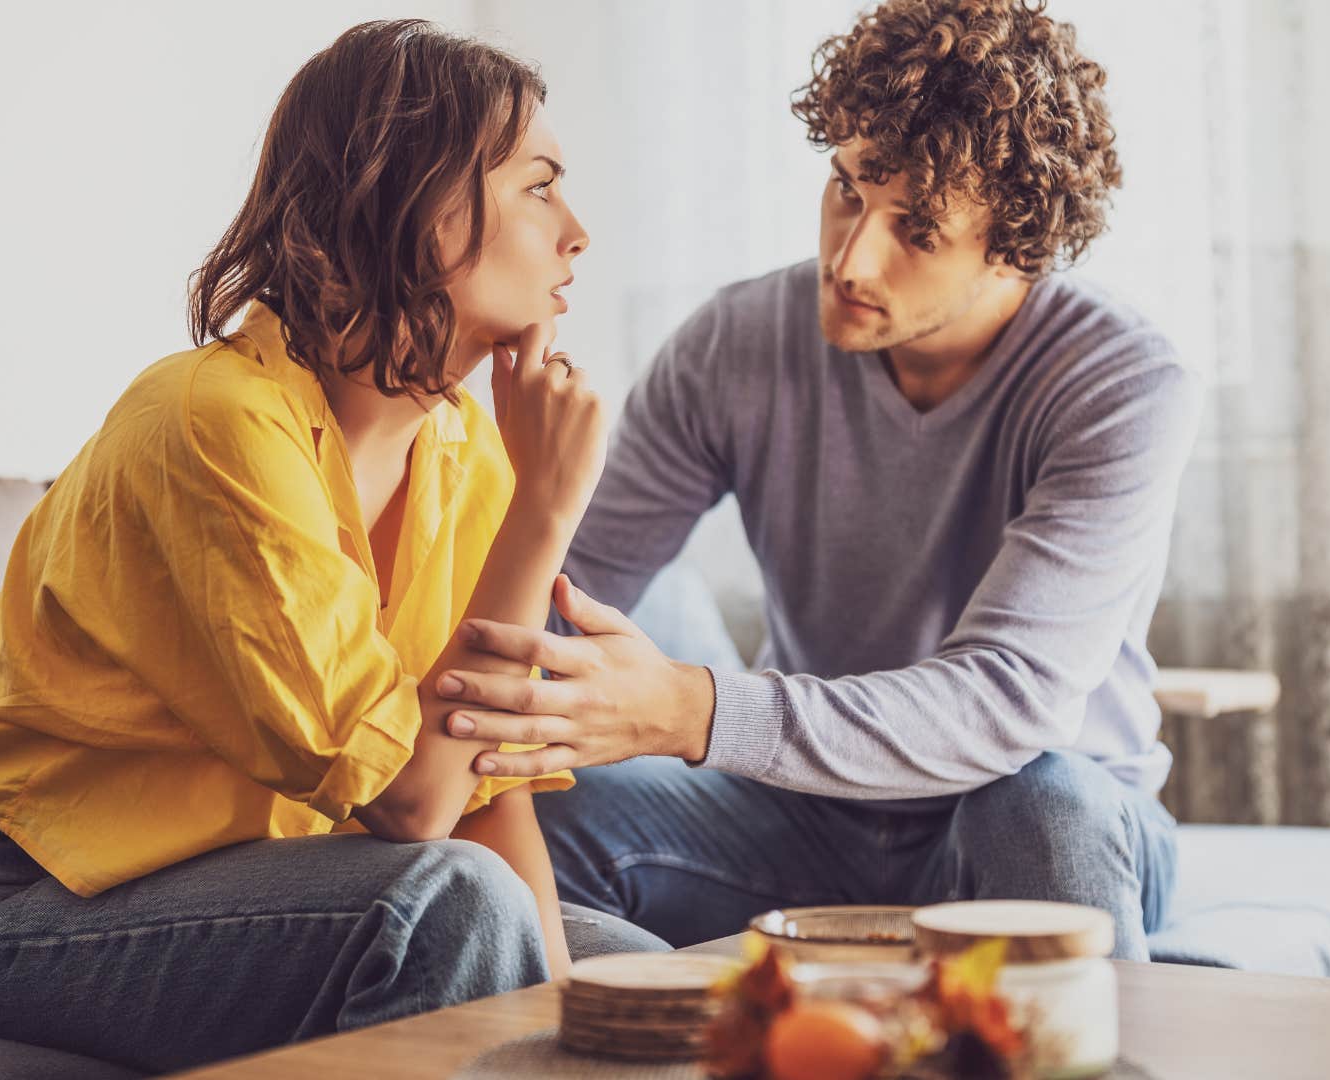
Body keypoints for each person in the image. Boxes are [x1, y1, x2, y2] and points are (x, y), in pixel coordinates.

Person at [0, 20, 656, 1074]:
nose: (579, 233)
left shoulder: (465, 445)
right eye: (540, 187)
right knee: (450, 913)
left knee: (626, 971)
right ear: (416, 202)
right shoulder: (211, 421)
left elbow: (483, 789)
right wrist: (543, 519)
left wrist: (571, 1027)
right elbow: (415, 804)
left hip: (239, 875)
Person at [428, 0, 1202, 963]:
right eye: (847, 190)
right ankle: (656, 1030)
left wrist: (694, 710)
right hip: (803, 816)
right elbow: (565, 599)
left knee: (1046, 799)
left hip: (1027, 813)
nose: (850, 257)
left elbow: (1007, 703)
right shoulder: (737, 342)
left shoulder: (1121, 379)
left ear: (1017, 245)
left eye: (916, 230)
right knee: (512, 810)